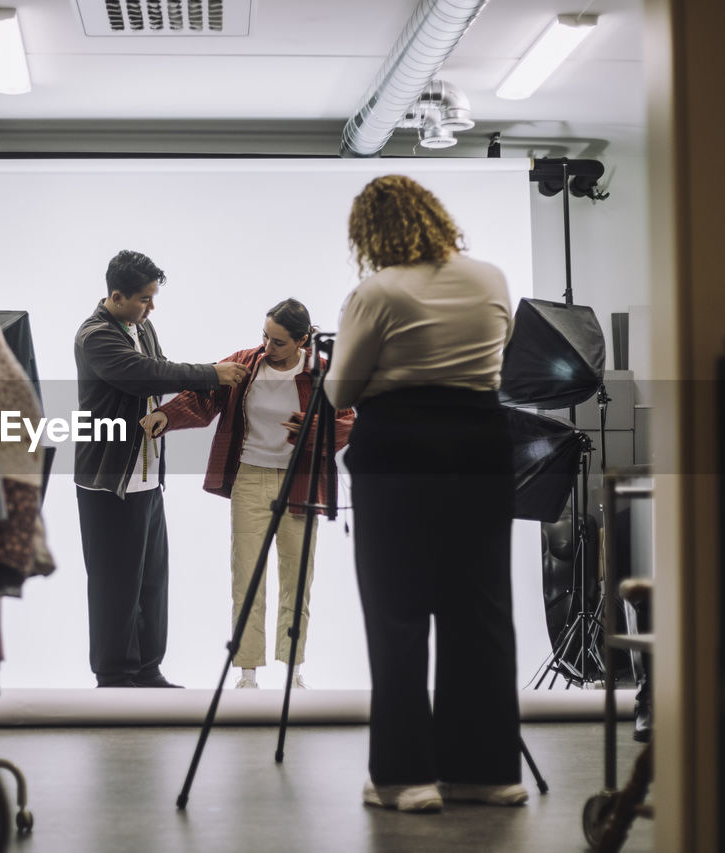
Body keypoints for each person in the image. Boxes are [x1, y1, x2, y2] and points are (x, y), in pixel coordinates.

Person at [324, 175, 526, 813]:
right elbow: (498, 362)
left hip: (400, 454)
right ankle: (488, 773)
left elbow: (341, 392)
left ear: (370, 233)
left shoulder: (376, 291)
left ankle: (404, 779)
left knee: (399, 615)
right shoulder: (491, 279)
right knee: (482, 613)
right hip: (484, 447)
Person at [141, 299, 353, 690]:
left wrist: (308, 425)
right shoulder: (246, 364)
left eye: (278, 342)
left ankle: (293, 672)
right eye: (265, 337)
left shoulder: (322, 372)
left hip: (299, 482)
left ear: (303, 341)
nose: (267, 347)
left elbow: (346, 423)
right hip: (250, 479)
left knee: (297, 577)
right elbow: (203, 397)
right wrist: (166, 416)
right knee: (247, 577)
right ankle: (247, 673)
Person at [74, 249, 249, 688]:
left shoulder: (141, 326)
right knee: (115, 586)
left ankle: (148, 669)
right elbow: (145, 374)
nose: (152, 308)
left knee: (152, 582)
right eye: (144, 299)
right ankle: (115, 676)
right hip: (109, 481)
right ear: (116, 295)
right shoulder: (95, 335)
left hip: (147, 478)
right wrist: (211, 374)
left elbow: (159, 370)